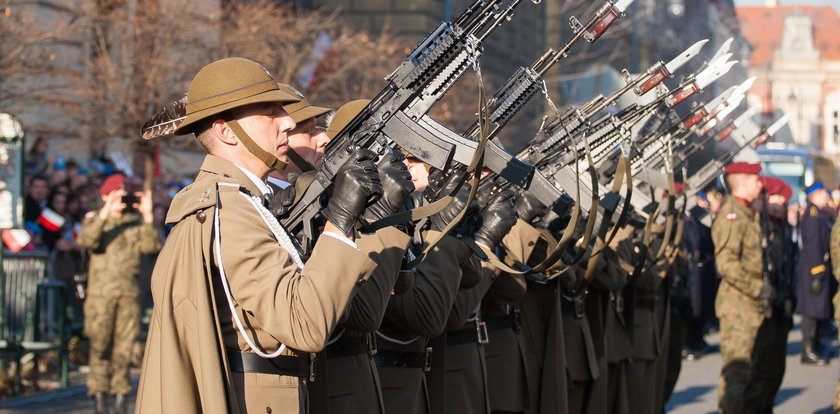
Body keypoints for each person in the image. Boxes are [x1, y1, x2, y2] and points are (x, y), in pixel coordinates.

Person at [135, 57, 393, 414]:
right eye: (270, 112)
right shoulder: (232, 209)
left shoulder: (245, 203)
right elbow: (305, 325)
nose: (287, 122)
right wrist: (341, 219)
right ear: (226, 131)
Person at [77, 173, 161, 414]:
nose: (122, 201)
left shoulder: (134, 223)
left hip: (129, 295)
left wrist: (147, 215)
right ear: (105, 196)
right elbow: (87, 240)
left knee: (124, 348)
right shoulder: (96, 221)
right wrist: (105, 211)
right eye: (117, 195)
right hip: (100, 297)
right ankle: (99, 394)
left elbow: (151, 246)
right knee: (100, 346)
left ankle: (121, 396)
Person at [711, 161, 769, 413]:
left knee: (749, 374)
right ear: (744, 182)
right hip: (737, 306)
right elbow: (726, 264)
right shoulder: (732, 215)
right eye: (755, 179)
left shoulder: (747, 212)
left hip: (748, 305)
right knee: (737, 374)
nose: (760, 183)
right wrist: (758, 288)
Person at [795, 181, 835, 365]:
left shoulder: (820, 214)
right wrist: (817, 273)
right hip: (813, 269)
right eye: (823, 194)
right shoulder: (812, 216)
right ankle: (808, 350)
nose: (827, 196)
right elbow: (813, 246)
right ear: (815, 195)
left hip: (820, 269)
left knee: (819, 309)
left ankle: (816, 345)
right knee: (811, 312)